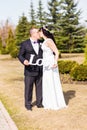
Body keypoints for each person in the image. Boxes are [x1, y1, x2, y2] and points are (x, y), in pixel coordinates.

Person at [39, 26, 67, 110]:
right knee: (47, 81)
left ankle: (55, 103)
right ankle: (48, 102)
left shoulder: (49, 41)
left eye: (39, 31)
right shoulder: (44, 41)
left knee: (51, 81)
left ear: (43, 32)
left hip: (51, 63)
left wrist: (55, 62)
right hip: (45, 63)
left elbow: (56, 52)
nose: (39, 33)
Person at [18, 27, 43, 111]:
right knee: (28, 88)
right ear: (33, 34)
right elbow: (20, 55)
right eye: (37, 32)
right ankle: (28, 104)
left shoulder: (42, 43)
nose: (39, 34)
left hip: (40, 69)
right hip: (29, 70)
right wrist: (24, 60)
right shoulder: (24, 44)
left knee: (40, 87)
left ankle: (39, 103)